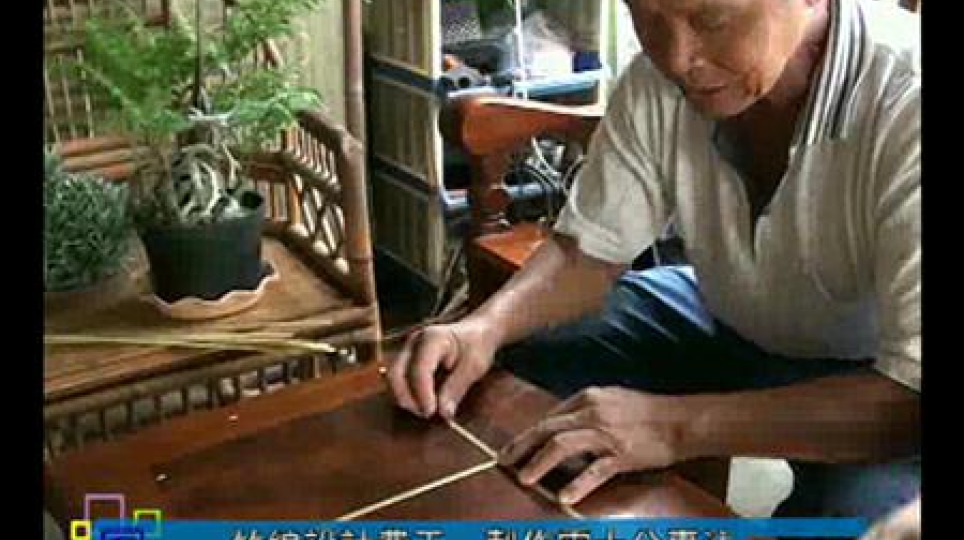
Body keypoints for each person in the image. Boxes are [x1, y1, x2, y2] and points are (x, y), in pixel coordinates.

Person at [387, 0, 920, 522]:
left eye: (711, 19)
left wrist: (674, 427)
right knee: (521, 368)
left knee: (861, 520)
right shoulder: (657, 81)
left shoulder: (907, 98)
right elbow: (586, 252)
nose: (678, 58)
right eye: (647, 19)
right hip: (722, 312)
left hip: (877, 379)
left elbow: (910, 396)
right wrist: (483, 327)